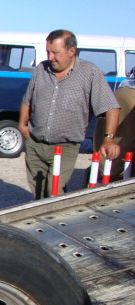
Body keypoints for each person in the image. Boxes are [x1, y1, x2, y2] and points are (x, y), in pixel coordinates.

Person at [18, 29, 120, 199]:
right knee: (38, 193)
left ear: (72, 51)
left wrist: (109, 139)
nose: (51, 57)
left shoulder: (90, 73)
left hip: (65, 147)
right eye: (48, 52)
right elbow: (27, 100)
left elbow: (111, 107)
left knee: (54, 192)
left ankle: (53, 222)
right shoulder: (41, 70)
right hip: (35, 144)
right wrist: (22, 125)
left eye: (56, 53)